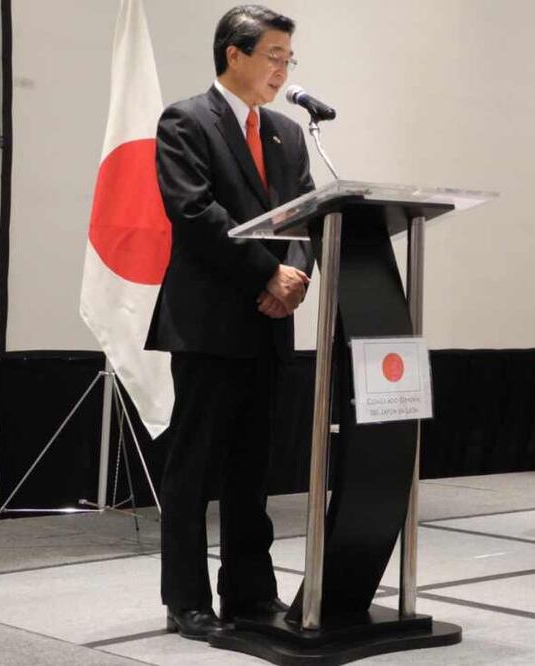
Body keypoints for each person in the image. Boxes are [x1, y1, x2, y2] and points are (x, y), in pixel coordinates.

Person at [145, 5, 314, 640]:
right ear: (233, 54)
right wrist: (265, 275)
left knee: (253, 471)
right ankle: (185, 601)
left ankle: (248, 593)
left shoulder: (290, 134)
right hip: (210, 322)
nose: (283, 69)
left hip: (270, 324)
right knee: (195, 468)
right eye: (274, 55)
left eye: (288, 58)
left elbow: (303, 217)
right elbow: (194, 212)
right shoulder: (186, 121)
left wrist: (294, 277)